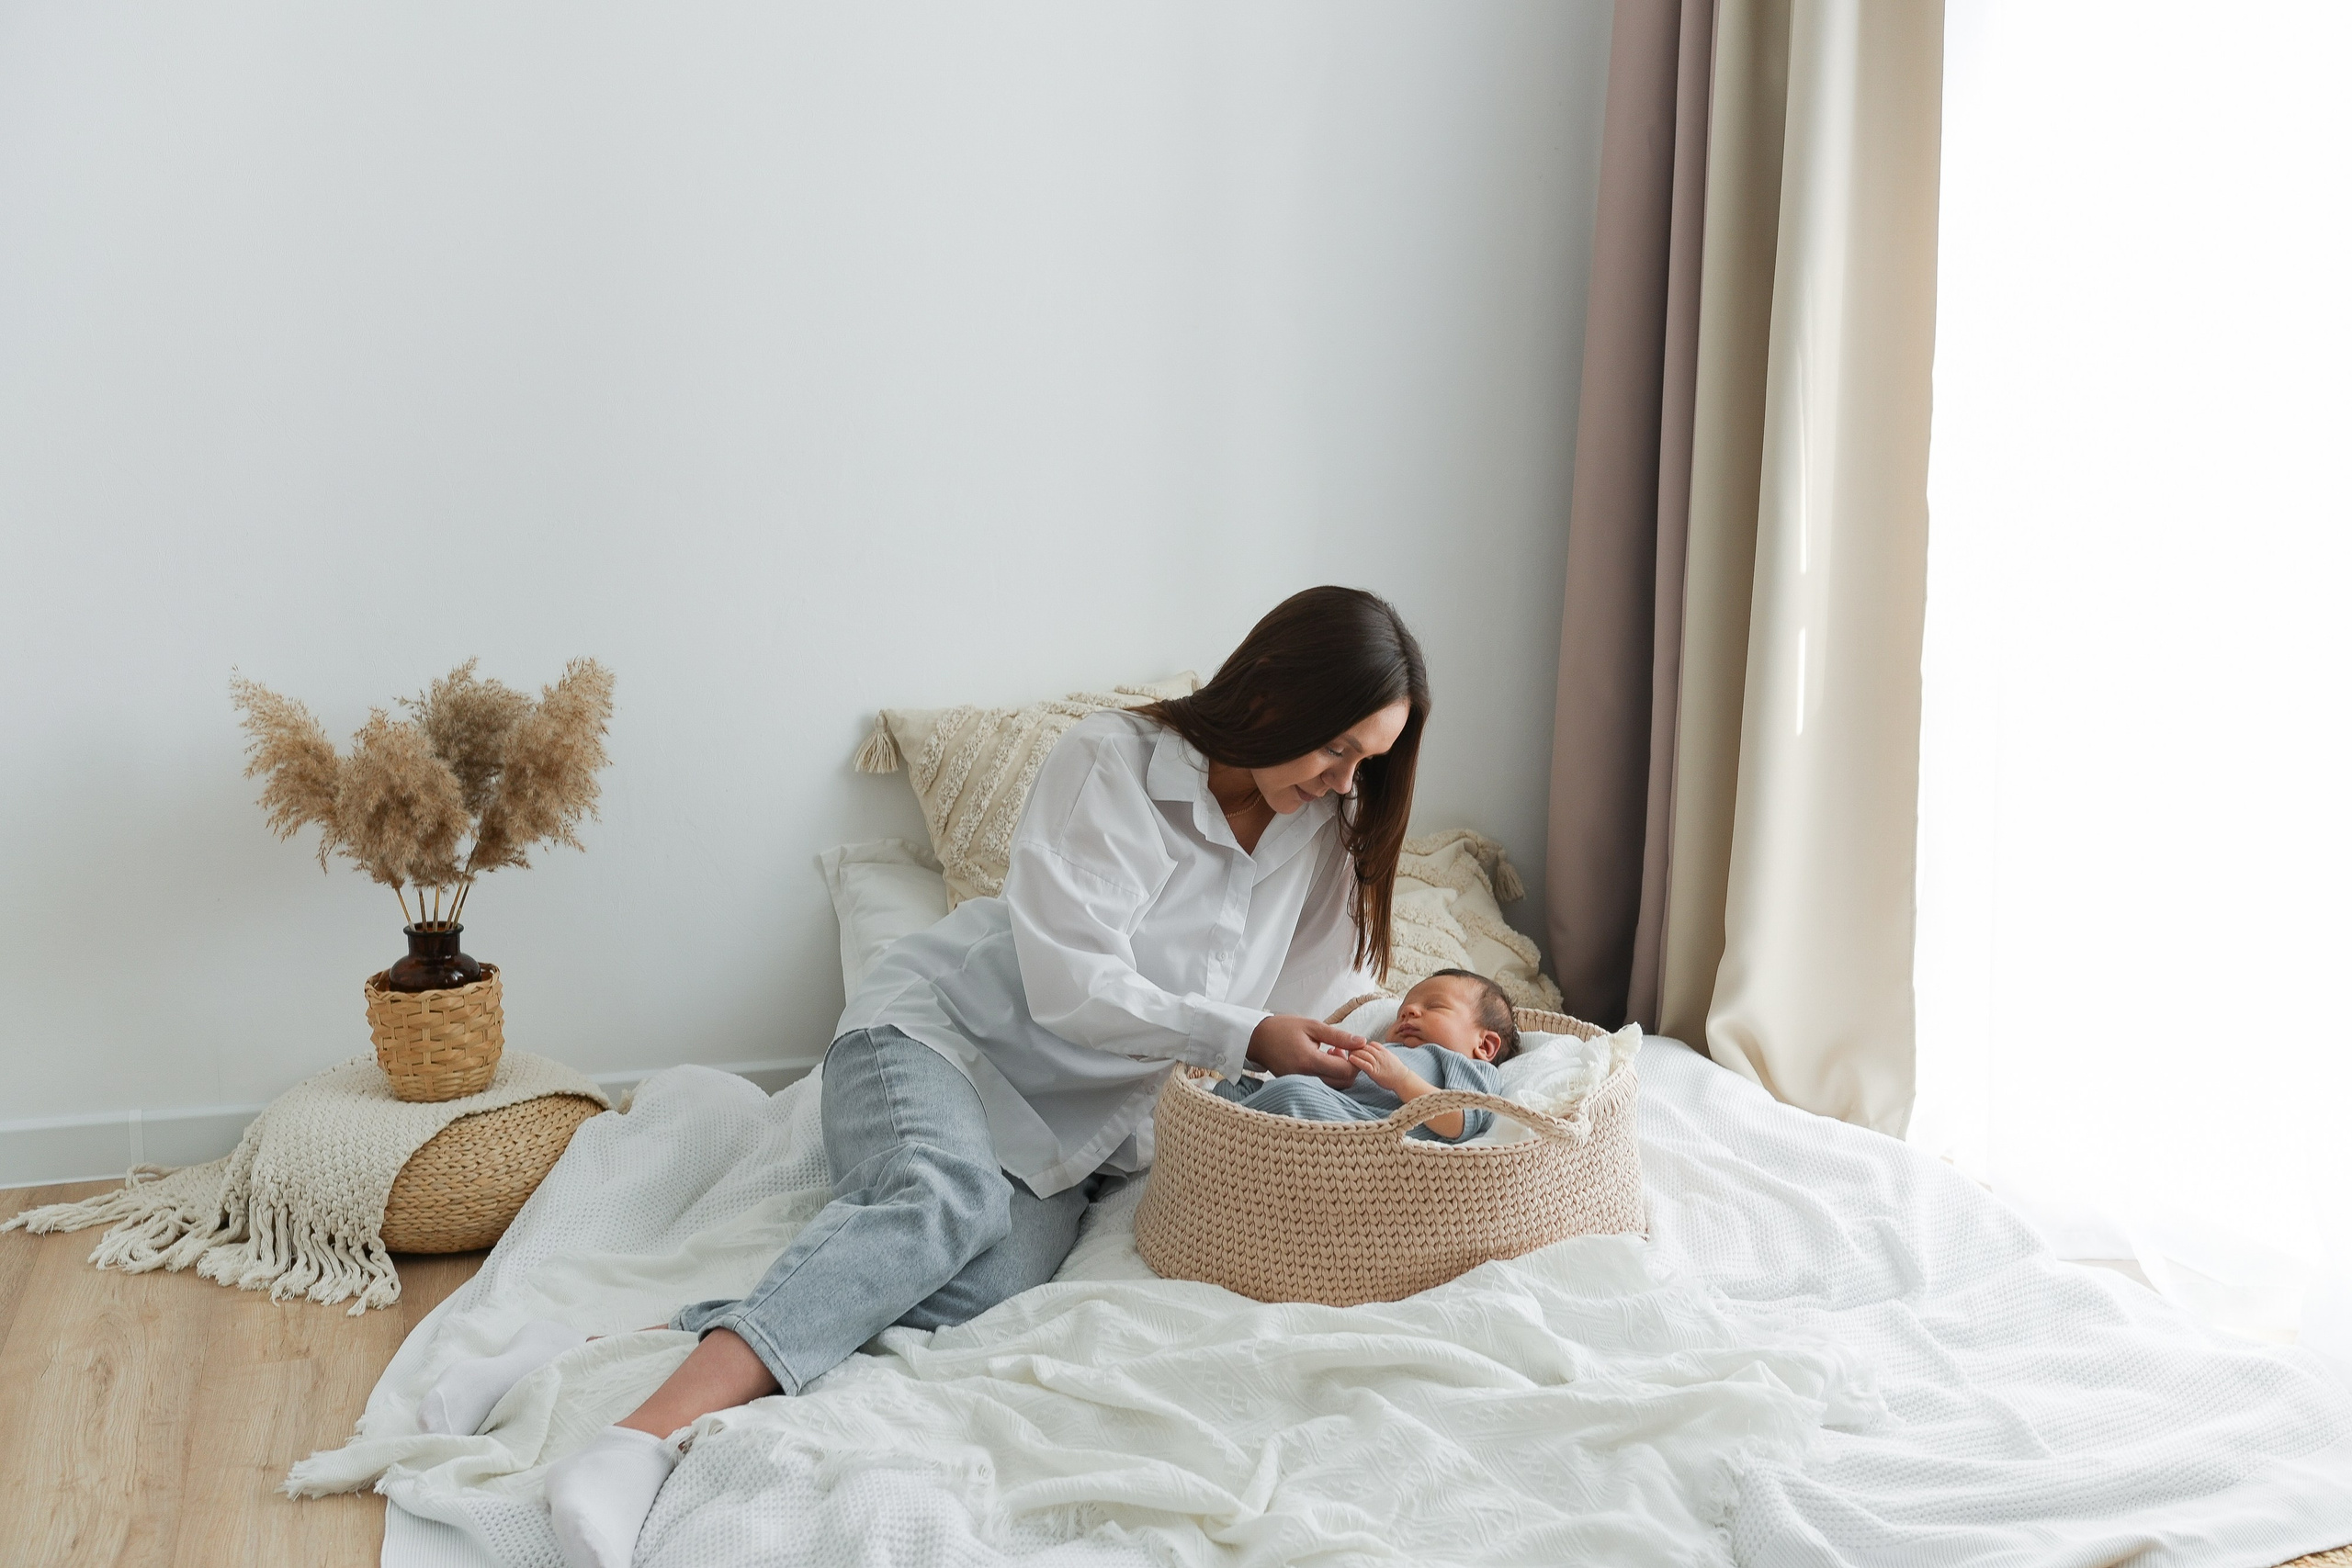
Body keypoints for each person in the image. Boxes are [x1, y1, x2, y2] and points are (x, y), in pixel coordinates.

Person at [526, 585, 1430, 1568]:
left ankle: (620, 1344)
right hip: (942, 1038)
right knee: (940, 1201)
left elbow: (1315, 1002)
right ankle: (631, 1444)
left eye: (1368, 761)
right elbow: (1071, 986)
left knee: (980, 1289)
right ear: (1271, 692)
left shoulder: (1325, 829)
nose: (1346, 781)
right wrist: (1248, 1035)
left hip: (1081, 1129)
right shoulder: (1113, 762)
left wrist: (1426, 1069)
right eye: (1336, 748)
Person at [1212, 968, 1520, 1143]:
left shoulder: (1469, 1066)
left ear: (1485, 1046)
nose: (1410, 1011)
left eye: (1434, 1006)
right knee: (1233, 1086)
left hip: (1370, 1133)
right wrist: (1337, 1075)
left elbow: (1458, 1121)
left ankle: (1227, 1134)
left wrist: (1401, 1079)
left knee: (1295, 1093)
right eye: (1402, 1012)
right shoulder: (1393, 1050)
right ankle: (1233, 1122)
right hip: (1339, 1108)